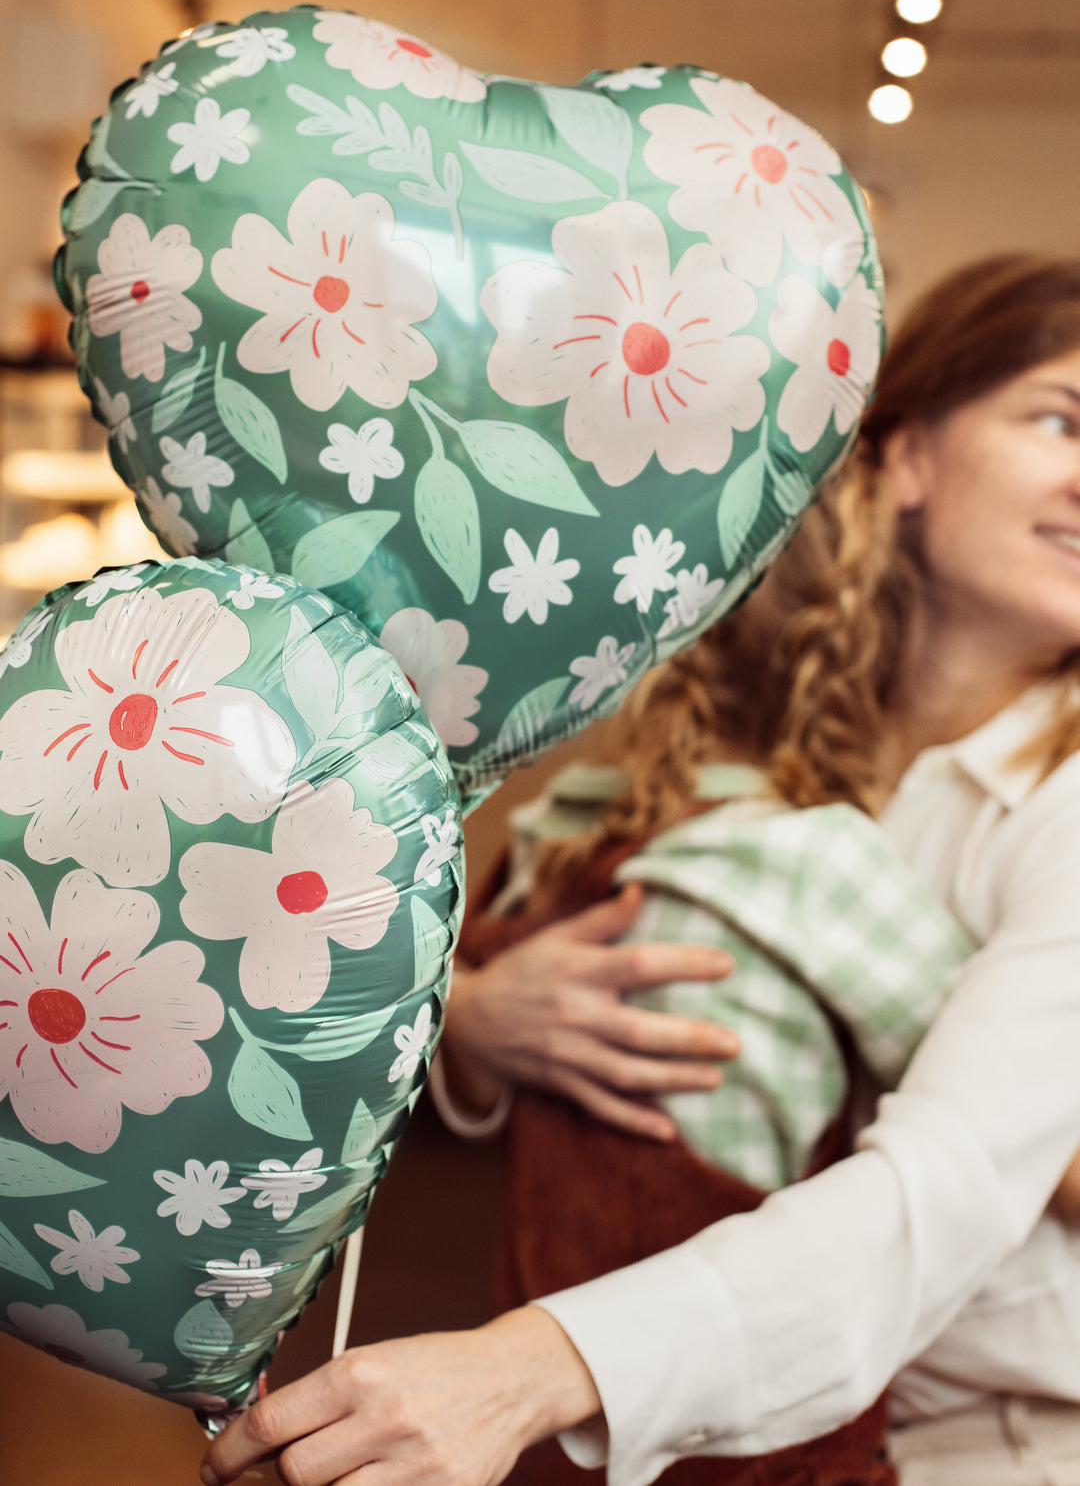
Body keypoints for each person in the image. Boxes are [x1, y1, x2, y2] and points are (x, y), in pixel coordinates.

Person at [201, 254, 1080, 1486]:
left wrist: (526, 1370)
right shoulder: (753, 738)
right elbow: (497, 941)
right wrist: (476, 1023)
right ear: (909, 454)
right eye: (1059, 419)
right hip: (726, 1432)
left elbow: (941, 1192)